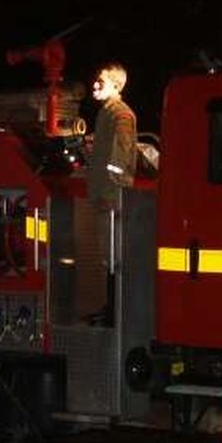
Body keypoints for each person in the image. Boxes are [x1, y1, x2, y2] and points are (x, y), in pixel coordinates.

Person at [84, 61, 137, 326]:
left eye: (101, 82)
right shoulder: (106, 113)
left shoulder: (120, 115)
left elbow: (121, 155)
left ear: (116, 86)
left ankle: (115, 312)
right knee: (108, 257)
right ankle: (111, 308)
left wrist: (112, 192)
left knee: (115, 257)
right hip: (103, 195)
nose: (94, 85)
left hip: (110, 198)